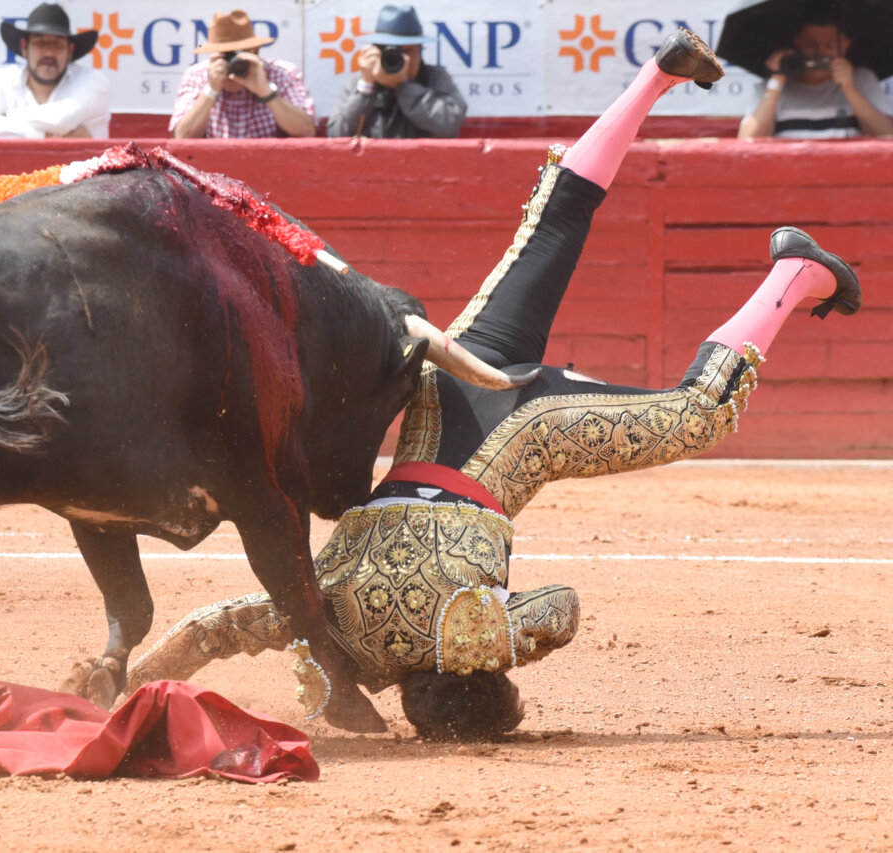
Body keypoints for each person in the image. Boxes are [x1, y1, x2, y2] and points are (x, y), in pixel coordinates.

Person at [127, 28, 862, 739]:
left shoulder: (466, 631)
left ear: (483, 678)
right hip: (438, 395)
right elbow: (213, 624)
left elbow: (561, 609)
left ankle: (796, 272)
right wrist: (138, 677)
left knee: (697, 412)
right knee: (550, 229)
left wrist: (498, 636)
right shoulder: (337, 627)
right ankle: (658, 76)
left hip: (523, 440)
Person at [737, 2, 893, 139]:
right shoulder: (771, 86)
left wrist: (850, 89)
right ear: (797, 43)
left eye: (830, 46)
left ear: (845, 45)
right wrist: (776, 82)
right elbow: (747, 141)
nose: (820, 52)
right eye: (811, 45)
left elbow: (887, 135)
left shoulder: (861, 79)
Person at [0, 3, 111, 139]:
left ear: (70, 50)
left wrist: (7, 116)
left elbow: (61, 119)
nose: (49, 52)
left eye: (58, 44)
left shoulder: (94, 81)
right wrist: (43, 135)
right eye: (40, 43)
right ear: (25, 47)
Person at [170, 10, 316, 139]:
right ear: (212, 56)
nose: (232, 64)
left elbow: (307, 131)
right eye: (225, 56)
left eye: (238, 55)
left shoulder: (282, 73)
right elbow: (182, 136)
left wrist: (266, 92)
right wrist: (211, 90)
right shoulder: (197, 75)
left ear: (255, 51)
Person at [326, 4, 466, 139]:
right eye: (387, 50)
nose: (396, 57)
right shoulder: (360, 81)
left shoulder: (435, 77)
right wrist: (366, 88)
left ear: (419, 50)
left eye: (405, 51)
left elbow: (449, 124)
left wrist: (404, 86)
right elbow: (336, 134)